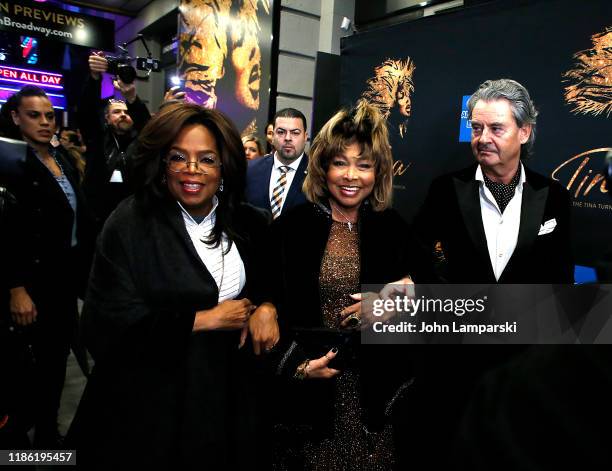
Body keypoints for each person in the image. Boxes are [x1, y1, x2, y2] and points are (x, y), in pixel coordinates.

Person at [67, 103, 279, 468]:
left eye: (207, 159)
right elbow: (105, 325)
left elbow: (271, 280)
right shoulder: (131, 222)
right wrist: (204, 320)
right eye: (179, 157)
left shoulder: (247, 222)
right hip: (147, 410)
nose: (192, 170)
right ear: (162, 163)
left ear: (224, 166)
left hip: (223, 401)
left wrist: (268, 306)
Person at [405, 78, 574, 468]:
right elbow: (418, 263)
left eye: (496, 128)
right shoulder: (445, 190)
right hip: (453, 365)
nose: (482, 138)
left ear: (524, 132)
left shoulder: (554, 196)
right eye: (477, 127)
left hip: (524, 367)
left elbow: (561, 285)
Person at [269, 101, 417, 470]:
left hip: (375, 398)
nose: (352, 176)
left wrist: (395, 299)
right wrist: (299, 369)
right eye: (341, 163)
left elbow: (427, 297)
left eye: (364, 165)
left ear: (378, 171)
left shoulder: (394, 228)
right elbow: (268, 303)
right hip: (308, 398)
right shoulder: (293, 227)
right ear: (322, 166)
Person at [0, 85, 93, 448]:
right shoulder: (10, 160)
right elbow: (5, 231)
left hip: (63, 281)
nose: (44, 122)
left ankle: (48, 435)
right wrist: (16, 288)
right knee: (24, 370)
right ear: (15, 118)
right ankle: (18, 444)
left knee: (56, 365)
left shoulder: (62, 158)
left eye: (49, 115)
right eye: (34, 115)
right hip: (30, 283)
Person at [79, 52, 152, 231]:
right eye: (116, 112)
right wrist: (95, 77)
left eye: (127, 112)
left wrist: (132, 99)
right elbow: (86, 112)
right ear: (106, 118)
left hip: (132, 218)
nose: (123, 115)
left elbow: (150, 129)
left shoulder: (140, 141)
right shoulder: (98, 139)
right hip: (98, 217)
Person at [245, 108, 309, 218]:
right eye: (281, 132)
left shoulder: (318, 174)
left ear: (305, 137)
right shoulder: (250, 170)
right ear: (272, 136)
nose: (288, 138)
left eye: (295, 133)